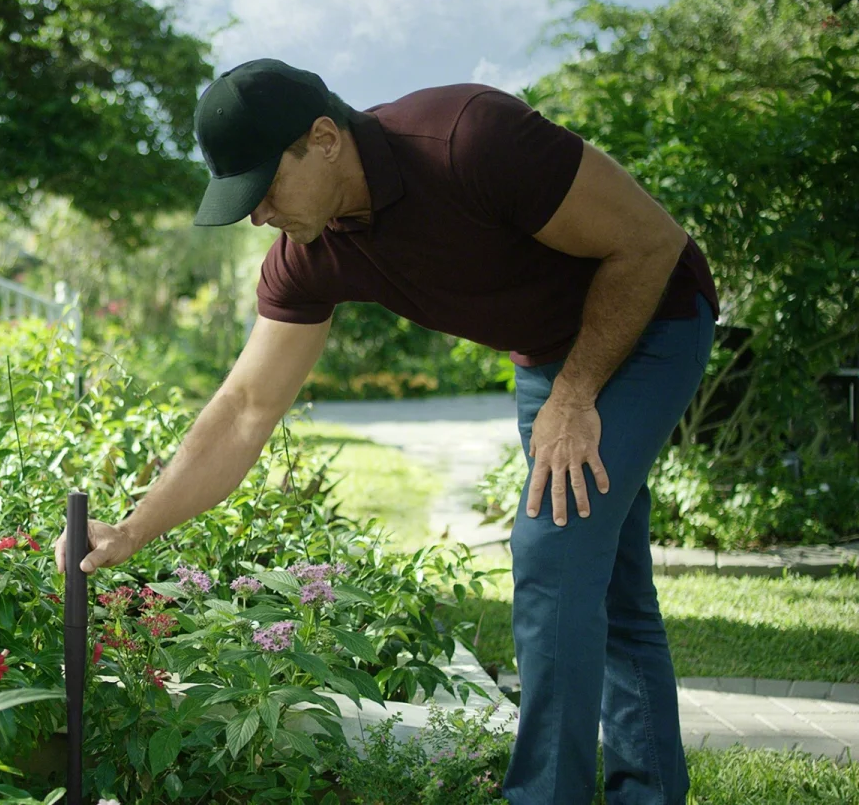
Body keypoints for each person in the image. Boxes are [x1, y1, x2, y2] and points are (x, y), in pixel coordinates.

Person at [53, 58, 717, 805]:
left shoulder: (469, 139)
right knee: (609, 582)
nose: (259, 215)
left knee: (554, 545)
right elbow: (246, 408)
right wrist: (134, 530)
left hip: (651, 314)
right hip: (549, 354)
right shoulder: (310, 253)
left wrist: (576, 392)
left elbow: (650, 240)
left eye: (265, 187)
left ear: (326, 139)